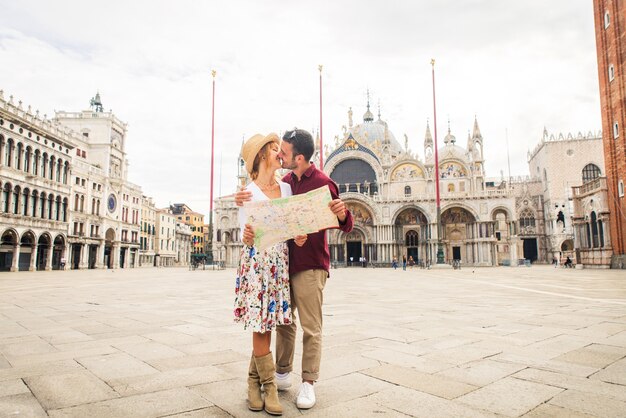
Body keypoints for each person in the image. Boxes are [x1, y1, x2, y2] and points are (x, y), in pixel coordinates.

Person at [238, 128, 353, 410]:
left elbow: (346, 224)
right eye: (277, 150)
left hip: (311, 264)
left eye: (285, 151)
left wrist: (342, 213)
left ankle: (308, 383)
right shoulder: (286, 181)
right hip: (280, 264)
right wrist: (240, 201)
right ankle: (279, 373)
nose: (281, 154)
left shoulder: (324, 182)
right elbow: (259, 209)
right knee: (282, 323)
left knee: (311, 327)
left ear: (298, 157)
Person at [234, 132, 307, 416]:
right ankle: (269, 387)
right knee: (260, 325)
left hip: (278, 263)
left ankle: (254, 384)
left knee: (271, 322)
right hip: (256, 263)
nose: (280, 153)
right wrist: (248, 234)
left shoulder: (286, 189)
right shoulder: (247, 191)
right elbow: (245, 235)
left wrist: (298, 236)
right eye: (275, 149)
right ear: (263, 154)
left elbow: (290, 227)